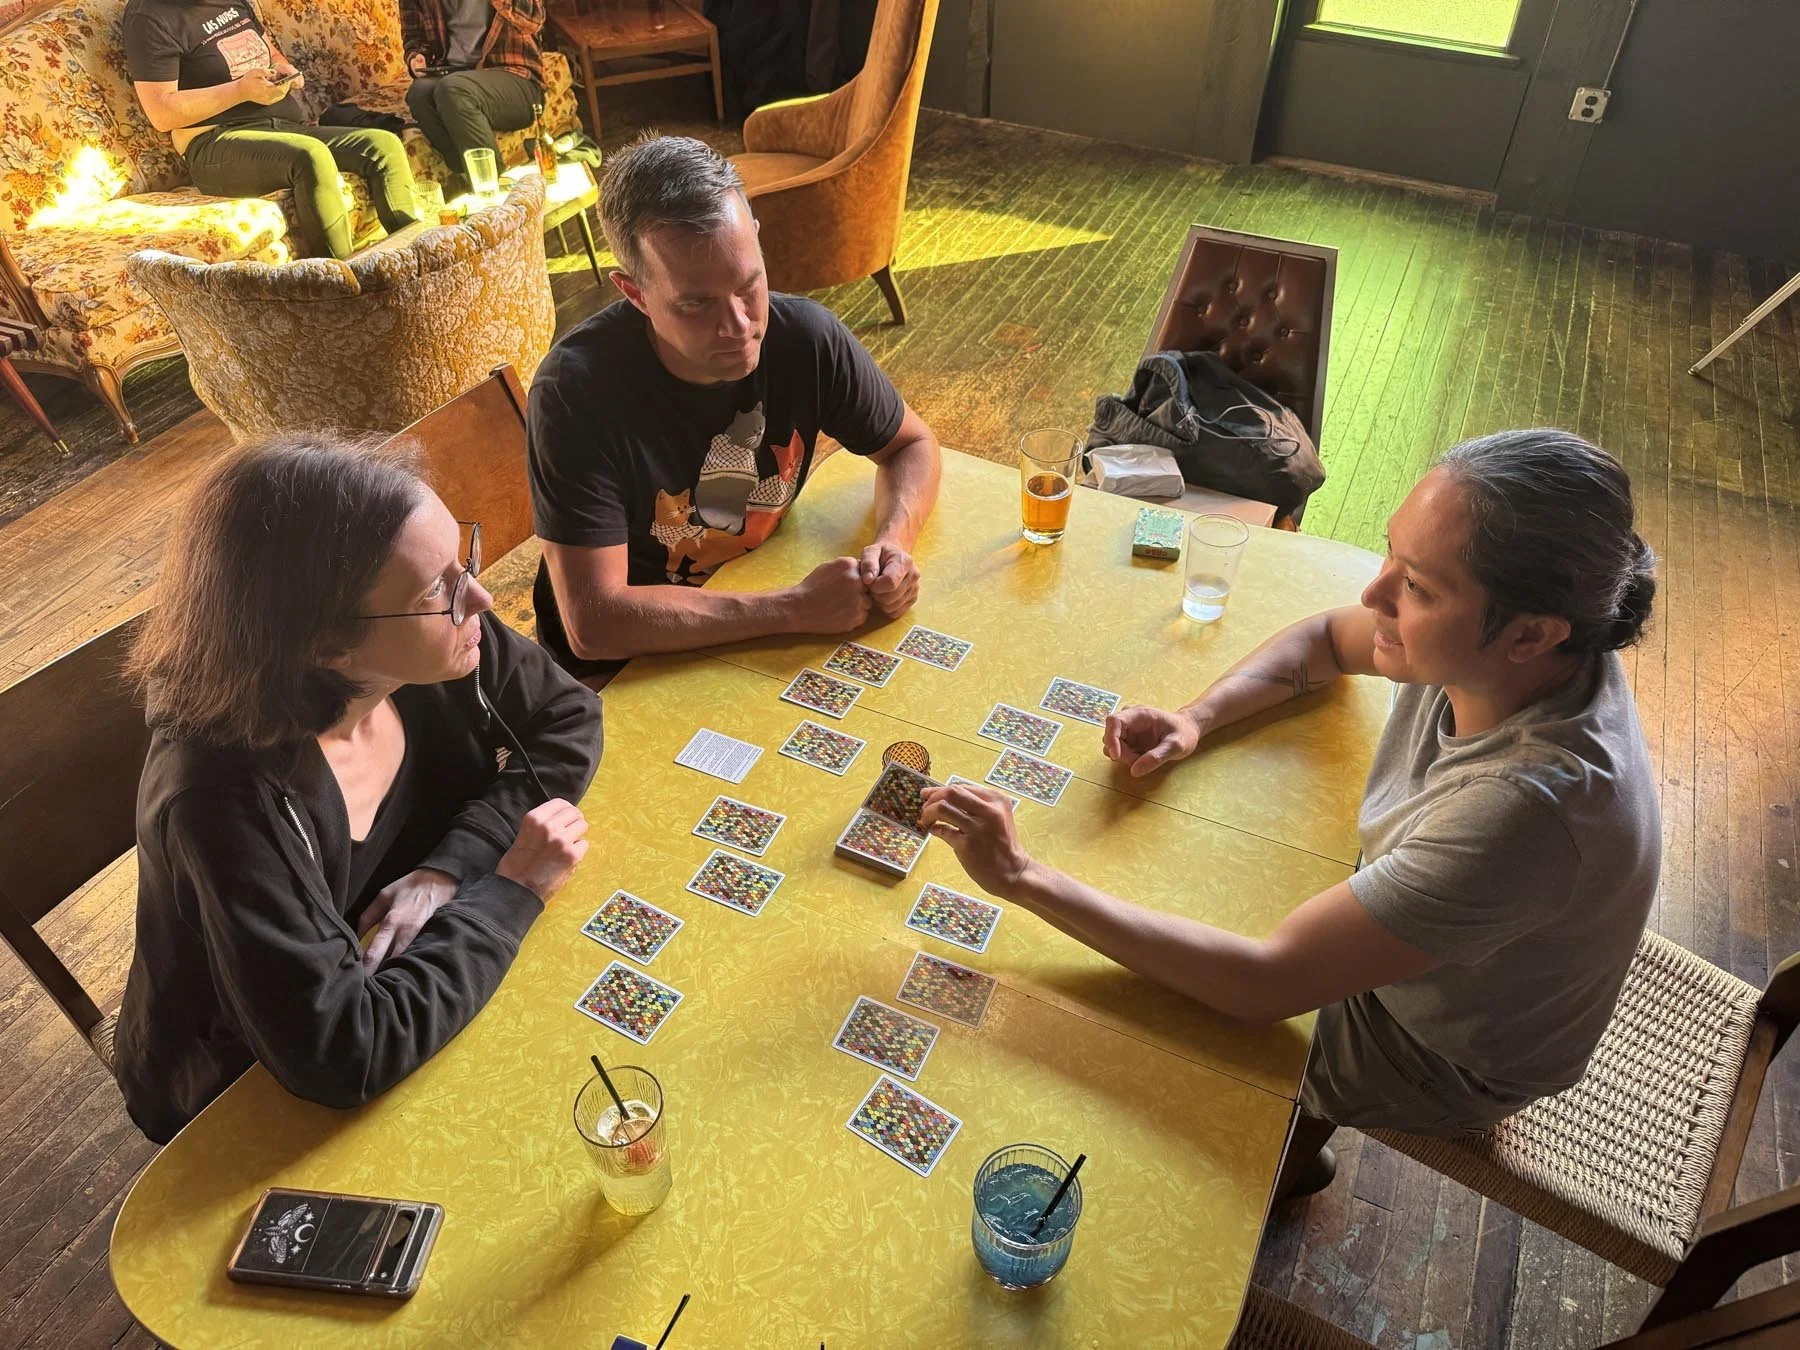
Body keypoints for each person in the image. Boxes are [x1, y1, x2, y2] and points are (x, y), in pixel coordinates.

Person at [919, 429, 1662, 1197]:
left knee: (1143, 1027)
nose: (1375, 594)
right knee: (1188, 887)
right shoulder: (1513, 653)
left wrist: (1017, 874)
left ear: (1532, 633)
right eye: (1391, 556)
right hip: (1461, 947)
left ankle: (1269, 1171)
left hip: (1443, 1052)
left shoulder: (1528, 812)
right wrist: (1197, 718)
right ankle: (1294, 1148)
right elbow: (1319, 642)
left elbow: (1261, 988)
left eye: (1419, 587)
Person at [113, 435, 603, 1144]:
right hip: (244, 1090)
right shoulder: (220, 802)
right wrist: (511, 890)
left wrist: (450, 867)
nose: (480, 594)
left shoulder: (436, 637)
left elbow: (567, 717)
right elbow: (343, 1054)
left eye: (460, 557)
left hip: (406, 967)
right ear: (326, 648)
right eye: (438, 589)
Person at [527, 134, 943, 683]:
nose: (740, 327)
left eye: (749, 285)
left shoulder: (807, 338)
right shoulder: (573, 393)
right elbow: (594, 624)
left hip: (753, 595)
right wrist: (792, 608)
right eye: (696, 304)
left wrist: (893, 540)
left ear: (758, 245)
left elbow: (911, 445)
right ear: (635, 294)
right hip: (625, 667)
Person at [123, 0, 417, 261]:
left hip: (283, 127)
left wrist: (284, 70)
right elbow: (162, 112)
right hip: (215, 142)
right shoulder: (148, 16)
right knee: (310, 156)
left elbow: (270, 52)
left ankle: (417, 264)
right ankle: (345, 289)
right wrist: (240, 91)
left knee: (383, 146)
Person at [399, 0, 546, 187]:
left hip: (516, 76)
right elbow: (414, 36)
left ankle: (495, 190)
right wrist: (416, 58)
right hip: (454, 73)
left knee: (453, 89)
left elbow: (535, 19)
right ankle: (466, 179)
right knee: (419, 94)